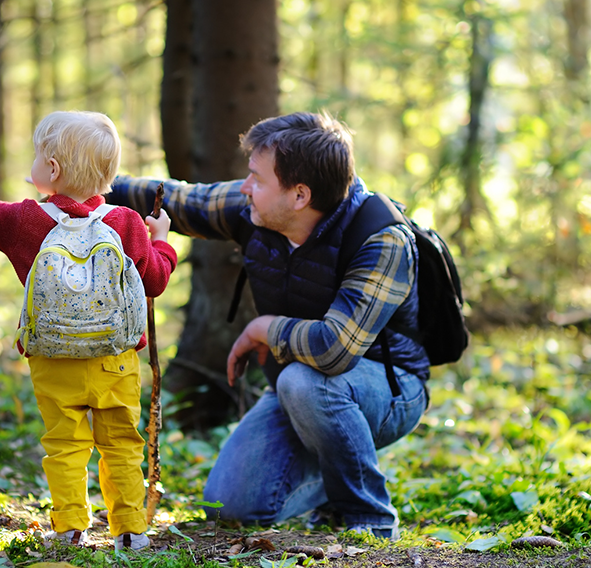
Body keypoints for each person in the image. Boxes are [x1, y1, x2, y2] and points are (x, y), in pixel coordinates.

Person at [106, 111, 429, 540]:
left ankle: (367, 517)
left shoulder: (381, 237)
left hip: (389, 391)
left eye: (257, 179)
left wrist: (265, 328)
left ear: (299, 195)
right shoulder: (256, 208)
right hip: (301, 389)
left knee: (304, 381)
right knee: (230, 506)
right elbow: (179, 200)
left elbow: (335, 349)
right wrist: (89, 185)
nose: (245, 188)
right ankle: (336, 475)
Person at [0, 111, 178, 550]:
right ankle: (131, 531)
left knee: (65, 443)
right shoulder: (126, 223)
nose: (32, 164)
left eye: (38, 155)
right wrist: (162, 241)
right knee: (121, 442)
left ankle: (71, 526)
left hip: (54, 359)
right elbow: (155, 280)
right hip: (116, 360)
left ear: (51, 169)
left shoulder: (27, 222)